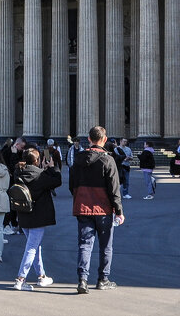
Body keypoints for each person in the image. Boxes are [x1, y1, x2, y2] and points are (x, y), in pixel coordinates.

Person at [70, 125, 124, 292]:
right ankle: (103, 279)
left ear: (89, 139)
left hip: (83, 207)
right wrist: (119, 211)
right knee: (105, 246)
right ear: (105, 140)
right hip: (103, 209)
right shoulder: (108, 160)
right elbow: (114, 189)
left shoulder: (78, 159)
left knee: (84, 245)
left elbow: (72, 185)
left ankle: (82, 280)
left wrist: (80, 196)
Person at [11, 147, 61, 291]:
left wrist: (44, 169)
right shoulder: (40, 175)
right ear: (37, 160)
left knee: (34, 245)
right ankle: (20, 279)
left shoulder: (18, 172)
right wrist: (52, 167)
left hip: (23, 213)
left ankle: (41, 276)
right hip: (38, 215)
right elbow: (57, 181)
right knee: (32, 247)